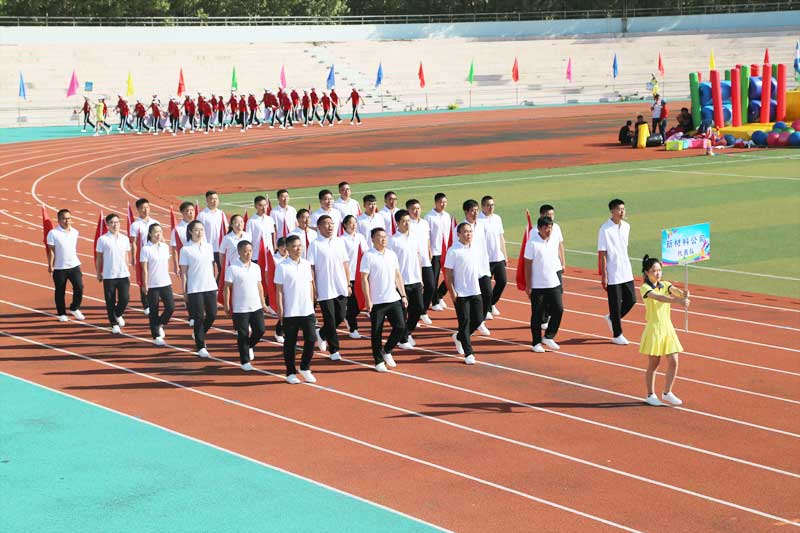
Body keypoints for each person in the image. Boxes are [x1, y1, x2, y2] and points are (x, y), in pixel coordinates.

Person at [639, 255, 690, 406]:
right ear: (647, 272)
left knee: (674, 361)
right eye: (654, 271)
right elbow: (659, 298)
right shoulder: (645, 288)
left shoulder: (665, 284)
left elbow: (675, 291)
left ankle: (667, 392)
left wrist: (684, 294)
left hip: (668, 328)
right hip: (654, 328)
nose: (658, 273)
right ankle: (650, 394)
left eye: (659, 270)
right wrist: (678, 301)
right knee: (654, 364)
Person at [360, 228, 408, 372]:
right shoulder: (368, 256)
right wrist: (368, 300)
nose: (383, 239)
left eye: (385, 237)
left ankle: (387, 350)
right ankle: (378, 361)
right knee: (377, 332)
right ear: (373, 239)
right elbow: (364, 279)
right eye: (380, 237)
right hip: (377, 301)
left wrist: (403, 295)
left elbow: (397, 275)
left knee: (400, 326)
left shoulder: (392, 254)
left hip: (393, 298)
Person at [275, 234, 318, 384]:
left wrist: (312, 305)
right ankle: (290, 372)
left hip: (307, 310)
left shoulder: (306, 264)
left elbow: (310, 285)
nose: (298, 249)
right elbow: (279, 290)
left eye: (300, 246)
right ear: (287, 248)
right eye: (294, 246)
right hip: (291, 311)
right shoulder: (282, 267)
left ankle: (305, 367)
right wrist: (281, 310)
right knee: (290, 343)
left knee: (311, 339)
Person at [307, 215, 350, 361]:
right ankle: (334, 350)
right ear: (319, 227)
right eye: (326, 224)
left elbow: (345, 263)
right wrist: (313, 287)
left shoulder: (339, 242)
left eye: (331, 223)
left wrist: (348, 283)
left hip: (340, 285)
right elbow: (311, 267)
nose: (330, 226)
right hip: (324, 287)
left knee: (341, 316)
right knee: (330, 319)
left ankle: (322, 333)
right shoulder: (315, 245)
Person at [224, 240, 268, 371]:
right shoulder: (233, 268)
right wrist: (227, 305)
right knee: (243, 334)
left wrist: (263, 302)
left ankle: (249, 346)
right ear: (239, 252)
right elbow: (227, 288)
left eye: (250, 251)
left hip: (256, 306)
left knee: (260, 330)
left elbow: (259, 286)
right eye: (245, 251)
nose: (248, 254)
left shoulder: (256, 267)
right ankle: (245, 361)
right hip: (240, 308)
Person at [598, 198, 635, 345]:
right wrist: (604, 275)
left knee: (631, 299)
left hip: (626, 269)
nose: (622, 212)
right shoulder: (604, 229)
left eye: (623, 209)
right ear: (612, 211)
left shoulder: (626, 226)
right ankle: (617, 334)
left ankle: (612, 318)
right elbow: (602, 253)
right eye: (619, 209)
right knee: (615, 304)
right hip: (612, 272)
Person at [524, 216, 564, 353]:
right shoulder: (532, 243)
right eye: (546, 228)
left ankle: (548, 336)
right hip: (537, 286)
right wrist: (528, 285)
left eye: (551, 227)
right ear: (539, 228)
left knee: (559, 309)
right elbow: (527, 265)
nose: (549, 230)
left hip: (553, 282)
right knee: (537, 314)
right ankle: (536, 343)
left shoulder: (553, 240)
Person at [444, 222, 482, 365]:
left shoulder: (475, 248)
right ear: (458, 234)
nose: (468, 234)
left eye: (470, 231)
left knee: (478, 319)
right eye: (465, 232)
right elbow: (448, 273)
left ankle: (460, 337)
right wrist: (452, 292)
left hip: (475, 290)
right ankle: (469, 353)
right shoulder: (453, 251)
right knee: (464, 321)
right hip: (461, 293)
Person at [180, 220, 218, 358]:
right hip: (195, 288)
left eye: (201, 229)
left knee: (212, 314)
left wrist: (214, 282)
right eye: (196, 230)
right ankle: (200, 345)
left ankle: (198, 333)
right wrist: (184, 291)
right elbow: (184, 272)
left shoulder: (209, 247)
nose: (200, 232)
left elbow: (211, 266)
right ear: (190, 231)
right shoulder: (185, 250)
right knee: (199, 317)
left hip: (210, 286)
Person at [389, 210, 424, 349]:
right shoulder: (393, 240)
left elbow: (418, 258)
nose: (407, 223)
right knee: (403, 312)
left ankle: (407, 332)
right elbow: (390, 264)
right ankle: (403, 340)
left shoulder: (414, 237)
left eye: (408, 221)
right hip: (401, 282)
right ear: (397, 223)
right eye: (404, 221)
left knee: (419, 308)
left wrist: (420, 278)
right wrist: (393, 282)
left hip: (415, 279)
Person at [459, 199, 492, 335]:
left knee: (488, 294)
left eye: (477, 210)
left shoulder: (482, 224)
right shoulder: (461, 228)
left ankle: (479, 322)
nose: (475, 213)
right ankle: (473, 324)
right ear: (466, 212)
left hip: (483, 266)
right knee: (473, 298)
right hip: (469, 269)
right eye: (472, 211)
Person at [95, 213, 130, 334]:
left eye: (117, 222)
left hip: (123, 274)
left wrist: (127, 268)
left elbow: (126, 255)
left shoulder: (125, 239)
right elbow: (99, 257)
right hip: (109, 275)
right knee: (110, 301)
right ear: (107, 225)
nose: (115, 225)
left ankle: (118, 314)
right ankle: (113, 323)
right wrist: (98, 272)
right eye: (112, 223)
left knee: (125, 299)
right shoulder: (102, 239)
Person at [140, 223, 175, 346]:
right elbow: (144, 269)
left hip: (165, 282)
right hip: (152, 284)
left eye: (160, 231)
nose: (158, 234)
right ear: (150, 234)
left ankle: (160, 323)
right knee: (153, 310)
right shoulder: (146, 249)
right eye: (156, 232)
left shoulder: (165, 247)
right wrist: (145, 284)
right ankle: (156, 336)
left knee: (170, 307)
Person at [47, 209, 84, 322]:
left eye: (69, 218)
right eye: (64, 218)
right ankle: (61, 313)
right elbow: (51, 251)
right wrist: (50, 265)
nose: (67, 221)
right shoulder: (53, 233)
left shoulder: (75, 232)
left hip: (74, 265)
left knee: (79, 287)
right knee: (60, 291)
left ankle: (74, 308)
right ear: (58, 220)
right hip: (59, 267)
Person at [537, 204, 566, 329]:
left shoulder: (557, 227)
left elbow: (560, 246)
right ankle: (543, 319)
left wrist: (563, 262)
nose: (551, 217)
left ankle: (549, 314)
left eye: (552, 214)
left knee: (558, 291)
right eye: (548, 214)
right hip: (543, 267)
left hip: (556, 265)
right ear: (542, 215)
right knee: (545, 294)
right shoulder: (536, 230)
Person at [129, 198, 159, 315]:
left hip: (155, 255)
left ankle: (154, 302)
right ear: (138, 209)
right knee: (143, 278)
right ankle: (146, 305)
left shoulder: (155, 223)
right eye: (142, 208)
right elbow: (133, 242)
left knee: (155, 277)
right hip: (143, 255)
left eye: (147, 207)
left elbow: (160, 238)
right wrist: (133, 257)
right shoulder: (135, 225)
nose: (145, 210)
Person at [406, 199, 433, 325]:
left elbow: (427, 238)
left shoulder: (424, 223)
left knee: (430, 286)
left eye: (418, 208)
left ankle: (423, 311)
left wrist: (429, 249)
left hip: (425, 259)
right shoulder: (407, 224)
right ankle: (413, 315)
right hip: (413, 261)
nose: (416, 211)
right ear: (408, 210)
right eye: (413, 209)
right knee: (414, 290)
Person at [479, 195, 507, 318]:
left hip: (498, 257)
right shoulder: (479, 220)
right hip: (485, 259)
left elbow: (501, 237)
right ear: (483, 206)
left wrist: (505, 255)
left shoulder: (497, 218)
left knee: (502, 282)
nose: (491, 207)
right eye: (488, 205)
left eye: (492, 205)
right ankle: (486, 309)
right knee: (486, 287)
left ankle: (491, 303)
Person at [341, 214, 368, 339]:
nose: (353, 225)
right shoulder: (341, 240)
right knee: (352, 303)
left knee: (360, 302)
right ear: (345, 225)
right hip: (349, 275)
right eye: (351, 223)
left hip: (361, 274)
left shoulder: (360, 237)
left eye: (355, 223)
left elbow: (366, 253)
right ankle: (353, 328)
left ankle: (348, 316)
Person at [425, 192, 453, 312]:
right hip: (435, 251)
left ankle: (439, 295)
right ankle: (434, 301)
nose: (443, 204)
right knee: (434, 278)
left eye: (445, 202)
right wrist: (429, 250)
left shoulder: (447, 216)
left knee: (450, 275)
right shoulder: (429, 217)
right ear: (436, 202)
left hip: (446, 251)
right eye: (441, 202)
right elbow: (427, 236)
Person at [196, 190, 226, 280]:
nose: (214, 201)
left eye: (216, 199)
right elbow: (198, 232)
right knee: (209, 272)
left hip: (220, 248)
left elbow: (226, 229)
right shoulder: (202, 215)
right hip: (208, 248)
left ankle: (217, 286)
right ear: (207, 200)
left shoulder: (221, 213)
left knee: (223, 271)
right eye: (212, 199)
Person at [246, 195, 276, 265]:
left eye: (265, 205)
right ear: (255, 206)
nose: (264, 207)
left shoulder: (270, 219)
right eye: (260, 205)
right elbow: (248, 239)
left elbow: (272, 234)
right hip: (256, 255)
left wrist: (274, 248)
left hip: (269, 253)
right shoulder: (251, 221)